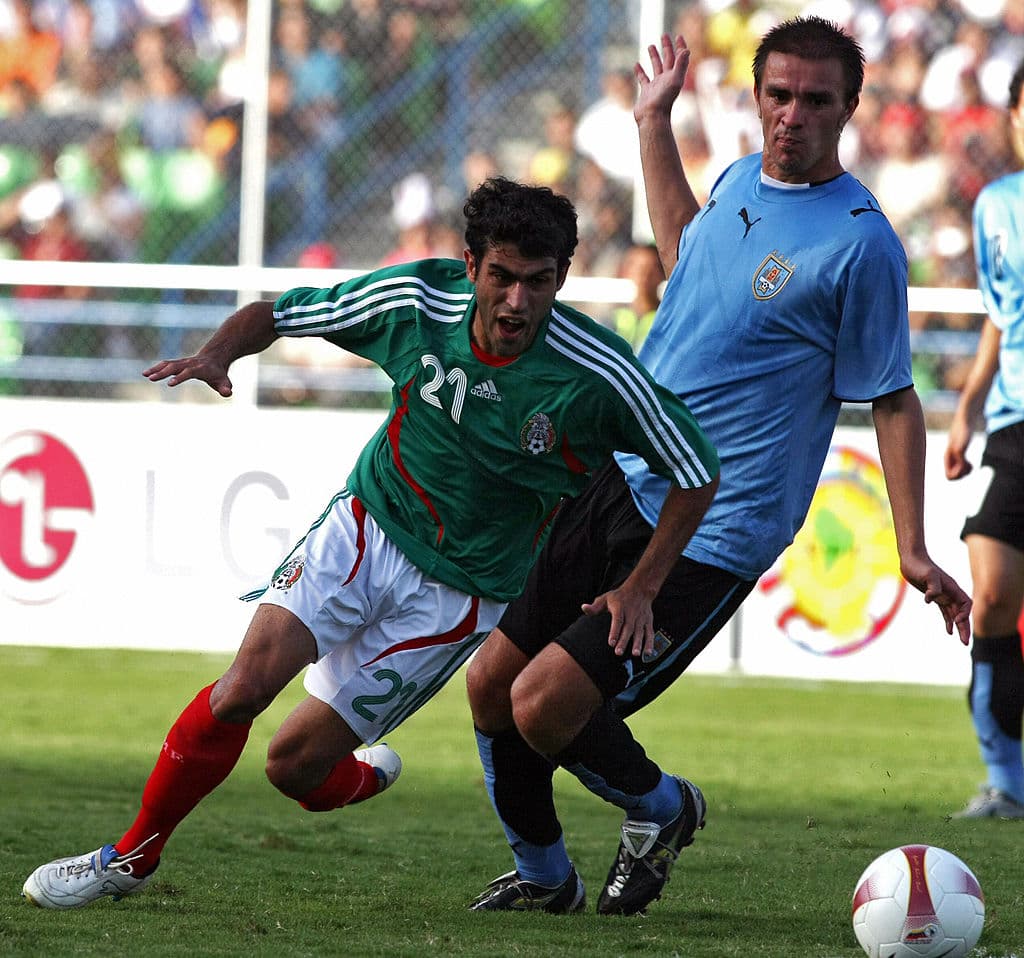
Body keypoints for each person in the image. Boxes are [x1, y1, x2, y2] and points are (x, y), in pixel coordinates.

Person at [21, 176, 720, 909]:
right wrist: (218, 353)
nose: (518, 302)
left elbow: (697, 471)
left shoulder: (596, 372)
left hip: (457, 594)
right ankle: (128, 858)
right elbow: (277, 314)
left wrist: (642, 585)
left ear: (563, 277)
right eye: (502, 278)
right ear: (470, 262)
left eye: (539, 283)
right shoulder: (416, 302)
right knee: (240, 690)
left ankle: (362, 774)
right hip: (365, 527)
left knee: (290, 768)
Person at [466, 17, 973, 919]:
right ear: (757, 99)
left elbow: (892, 396)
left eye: (817, 101)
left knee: (543, 704)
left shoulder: (863, 244)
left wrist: (913, 545)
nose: (793, 116)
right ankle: (545, 879)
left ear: (851, 109)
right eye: (779, 96)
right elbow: (682, 253)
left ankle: (664, 811)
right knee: (489, 687)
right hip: (623, 475)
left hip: (714, 524)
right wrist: (652, 124)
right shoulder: (741, 177)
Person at [943, 58, 1024, 821]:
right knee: (994, 590)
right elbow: (1002, 316)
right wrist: (966, 408)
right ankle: (1007, 781)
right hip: (1016, 423)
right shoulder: (998, 204)